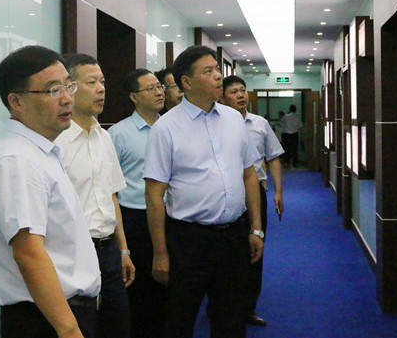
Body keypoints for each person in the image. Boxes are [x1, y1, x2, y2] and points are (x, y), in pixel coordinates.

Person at [0, 45, 101, 338]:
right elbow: (28, 253)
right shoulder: (16, 160)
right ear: (16, 101)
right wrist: (69, 330)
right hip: (45, 320)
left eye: (68, 86)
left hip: (59, 313)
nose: (67, 98)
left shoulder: (40, 151)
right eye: (53, 90)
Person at [143, 45, 264, 338]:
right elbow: (154, 195)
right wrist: (160, 253)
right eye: (208, 71)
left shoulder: (234, 119)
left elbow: (249, 174)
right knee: (180, 318)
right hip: (189, 240)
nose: (218, 76)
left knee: (231, 318)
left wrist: (256, 228)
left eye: (217, 69)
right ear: (186, 82)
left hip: (234, 236)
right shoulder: (166, 128)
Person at [55, 53, 134, 338]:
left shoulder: (105, 137)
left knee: (118, 327)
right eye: (92, 83)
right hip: (73, 252)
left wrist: (123, 250)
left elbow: (112, 197)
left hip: (108, 250)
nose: (101, 89)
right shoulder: (57, 143)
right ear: (69, 89)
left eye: (103, 82)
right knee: (83, 328)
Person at [221, 75, 285, 327]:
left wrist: (278, 191)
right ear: (222, 97)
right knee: (226, 251)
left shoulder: (260, 123)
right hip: (225, 192)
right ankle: (221, 305)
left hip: (256, 192)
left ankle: (248, 308)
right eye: (234, 91)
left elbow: (273, 157)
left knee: (255, 248)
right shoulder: (216, 124)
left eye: (243, 90)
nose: (240, 95)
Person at [108, 69, 168, 338]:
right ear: (134, 97)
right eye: (150, 88)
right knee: (140, 288)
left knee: (170, 286)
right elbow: (110, 186)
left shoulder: (172, 127)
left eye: (160, 87)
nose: (159, 92)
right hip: (135, 219)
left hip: (170, 216)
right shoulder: (118, 134)